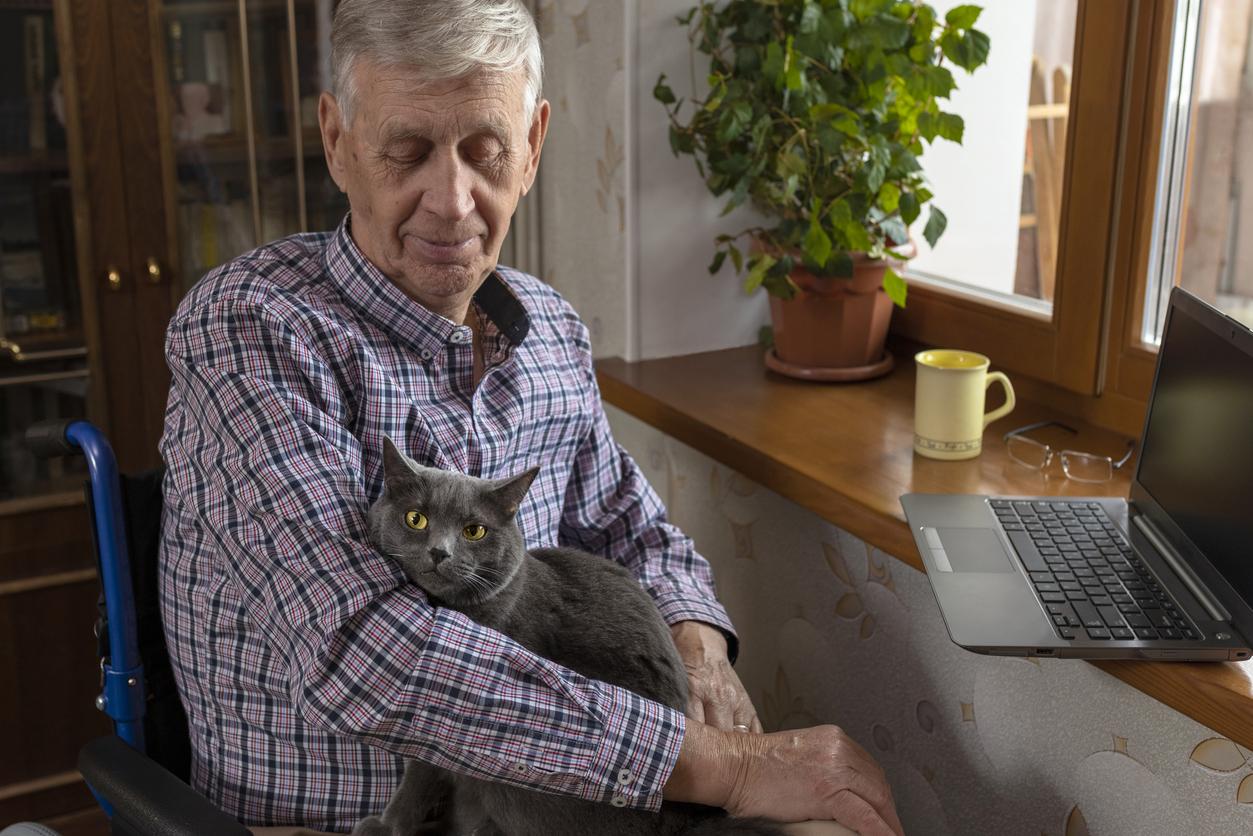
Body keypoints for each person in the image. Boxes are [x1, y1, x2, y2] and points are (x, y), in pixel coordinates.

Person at [158, 2, 903, 835]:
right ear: (336, 140)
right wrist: (719, 768)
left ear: (534, 146)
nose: (451, 200)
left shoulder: (547, 328)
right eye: (407, 152)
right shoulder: (250, 329)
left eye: (485, 152)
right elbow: (367, 657)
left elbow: (632, 531)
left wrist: (697, 655)